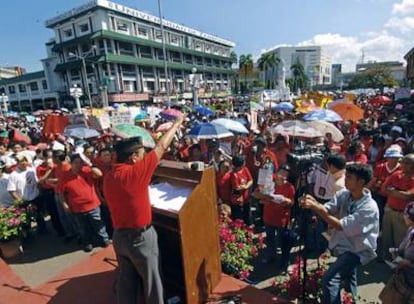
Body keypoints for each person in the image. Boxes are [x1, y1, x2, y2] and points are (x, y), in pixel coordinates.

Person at [103, 114, 185, 304]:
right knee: (152, 282)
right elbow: (162, 147)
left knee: (127, 279)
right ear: (132, 158)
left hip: (120, 237)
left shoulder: (110, 175)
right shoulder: (135, 173)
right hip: (140, 238)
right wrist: (176, 124)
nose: (143, 158)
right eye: (141, 154)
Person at [300, 163, 379, 304]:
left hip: (358, 250)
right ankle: (352, 299)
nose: (345, 180)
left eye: (349, 177)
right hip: (344, 245)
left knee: (330, 279)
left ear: (361, 182)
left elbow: (340, 225)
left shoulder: (369, 207)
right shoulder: (345, 194)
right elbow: (328, 208)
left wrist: (316, 207)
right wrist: (314, 203)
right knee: (349, 277)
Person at [253, 165, 295, 270]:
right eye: (281, 172)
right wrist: (264, 196)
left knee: (281, 241)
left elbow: (291, 203)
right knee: (270, 239)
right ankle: (270, 257)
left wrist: (284, 200)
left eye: (285, 173)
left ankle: (283, 261)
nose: (282, 175)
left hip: (282, 219)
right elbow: (255, 194)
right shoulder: (268, 182)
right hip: (268, 217)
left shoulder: (290, 187)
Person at [380, 153, 414, 261]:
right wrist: (400, 193)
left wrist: (393, 191)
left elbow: (408, 196)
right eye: (403, 162)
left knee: (400, 240)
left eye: (407, 163)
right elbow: (383, 189)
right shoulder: (396, 174)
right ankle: (385, 257)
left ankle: (398, 261)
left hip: (403, 215)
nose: (403, 164)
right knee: (386, 236)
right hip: (389, 209)